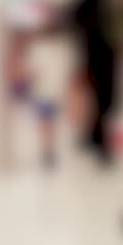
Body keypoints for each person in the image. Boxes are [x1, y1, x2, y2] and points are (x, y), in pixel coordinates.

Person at [68, 0, 123, 166]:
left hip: (101, 51)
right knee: (103, 96)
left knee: (103, 96)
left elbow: (71, 15)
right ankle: (99, 141)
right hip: (102, 51)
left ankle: (97, 139)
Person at [25, 24, 75, 169]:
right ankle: (50, 150)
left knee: (45, 123)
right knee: (51, 122)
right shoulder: (60, 50)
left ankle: (48, 151)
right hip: (55, 91)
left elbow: (33, 72)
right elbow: (67, 71)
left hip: (44, 91)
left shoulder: (38, 49)